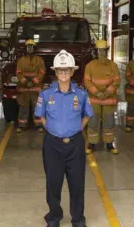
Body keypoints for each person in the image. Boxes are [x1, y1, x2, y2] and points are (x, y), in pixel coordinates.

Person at [35, 50, 93, 227]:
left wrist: (76, 129)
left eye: (66, 70)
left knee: (77, 184)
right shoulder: (46, 93)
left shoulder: (81, 94)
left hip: (75, 145)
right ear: (55, 72)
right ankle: (54, 217)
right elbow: (41, 116)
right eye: (60, 70)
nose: (63, 74)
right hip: (52, 145)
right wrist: (52, 130)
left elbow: (87, 115)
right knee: (53, 183)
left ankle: (77, 219)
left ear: (72, 72)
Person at [84, 40, 120, 154]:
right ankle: (92, 144)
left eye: (103, 50)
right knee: (93, 122)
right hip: (95, 99)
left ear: (106, 51)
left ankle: (109, 144)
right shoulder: (90, 66)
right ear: (96, 51)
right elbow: (87, 81)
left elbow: (117, 81)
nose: (101, 52)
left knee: (109, 123)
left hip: (108, 99)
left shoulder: (113, 65)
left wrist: (107, 92)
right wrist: (97, 93)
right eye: (99, 50)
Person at [16, 39, 46, 133]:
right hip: (24, 88)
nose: (30, 48)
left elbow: (42, 72)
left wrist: (33, 81)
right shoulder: (21, 60)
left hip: (35, 88)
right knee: (23, 107)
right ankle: (22, 125)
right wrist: (25, 81)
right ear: (26, 48)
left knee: (37, 106)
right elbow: (18, 72)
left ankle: (38, 125)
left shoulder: (39, 60)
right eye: (28, 47)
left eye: (31, 47)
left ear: (34, 48)